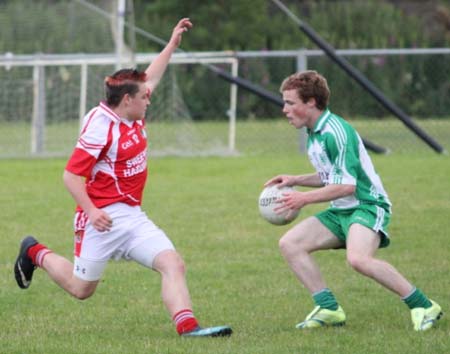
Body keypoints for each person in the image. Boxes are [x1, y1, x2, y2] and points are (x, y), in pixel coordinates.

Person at [14, 18, 232, 338]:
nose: (150, 98)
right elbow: (71, 175)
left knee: (173, 263)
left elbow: (152, 76)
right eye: (144, 97)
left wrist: (171, 44)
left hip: (132, 216)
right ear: (128, 100)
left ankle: (188, 328)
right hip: (101, 219)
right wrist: (91, 211)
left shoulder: (131, 109)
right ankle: (34, 251)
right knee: (81, 288)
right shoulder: (101, 127)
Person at [265, 70, 442, 331]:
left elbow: (347, 185)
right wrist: (295, 179)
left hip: (367, 205)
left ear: (311, 102)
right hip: (341, 210)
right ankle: (328, 309)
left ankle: (424, 305)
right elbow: (330, 176)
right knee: (290, 243)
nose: (284, 109)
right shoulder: (315, 132)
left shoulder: (335, 132)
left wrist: (303, 199)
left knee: (358, 259)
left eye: (290, 103)